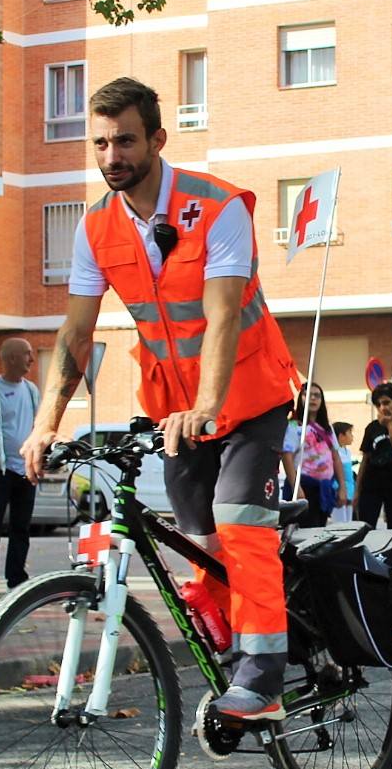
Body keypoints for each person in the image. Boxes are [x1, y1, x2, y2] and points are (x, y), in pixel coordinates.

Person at [19, 77, 300, 722]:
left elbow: (223, 314)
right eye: (100, 143)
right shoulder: (95, 227)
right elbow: (76, 331)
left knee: (238, 521)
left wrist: (207, 406)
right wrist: (44, 425)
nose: (111, 155)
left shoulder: (219, 205)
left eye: (124, 141)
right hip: (174, 405)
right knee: (195, 533)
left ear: (156, 140)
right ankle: (225, 618)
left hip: (248, 393)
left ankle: (264, 677)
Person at [0, 337, 41, 593]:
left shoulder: (32, 390)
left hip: (25, 470)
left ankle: (16, 579)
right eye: (27, 354)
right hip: (0, 470)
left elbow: (38, 425)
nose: (31, 360)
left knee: (21, 528)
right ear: (12, 358)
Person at [355, 383, 392, 529]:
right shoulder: (372, 427)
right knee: (366, 529)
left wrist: (390, 426)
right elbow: (365, 459)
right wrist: (357, 490)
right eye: (378, 404)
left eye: (387, 402)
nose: (383, 408)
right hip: (371, 486)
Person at [290, 381, 343, 528]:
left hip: (324, 489)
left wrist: (342, 487)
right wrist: (297, 488)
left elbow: (336, 458)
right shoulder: (294, 426)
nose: (313, 399)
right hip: (304, 489)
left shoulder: (327, 428)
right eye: (308, 395)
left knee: (320, 531)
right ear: (301, 398)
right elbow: (286, 457)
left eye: (317, 396)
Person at [332, 420, 357, 523]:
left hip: (350, 490)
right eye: (350, 433)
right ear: (341, 436)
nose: (352, 436)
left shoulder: (348, 452)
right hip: (340, 489)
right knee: (340, 522)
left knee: (349, 521)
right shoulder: (335, 452)